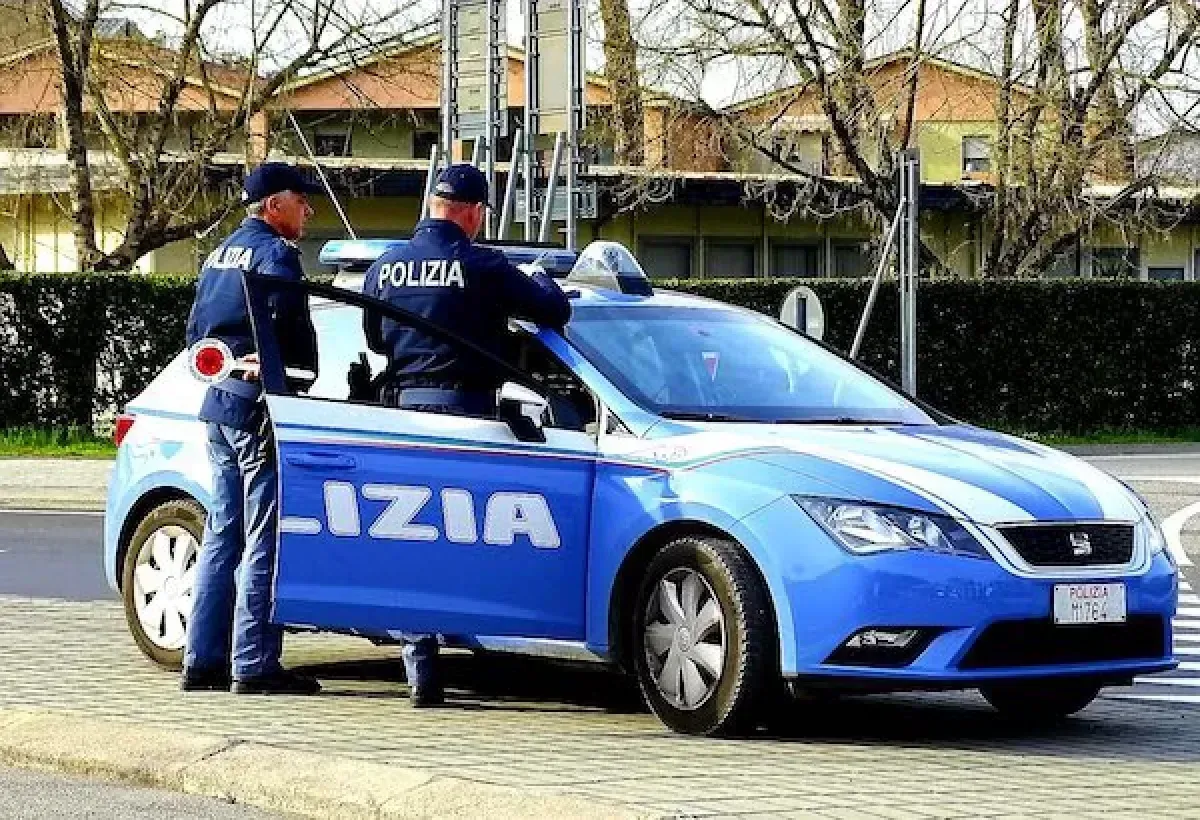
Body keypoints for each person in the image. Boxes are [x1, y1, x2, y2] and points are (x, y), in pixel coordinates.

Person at [362, 163, 571, 706]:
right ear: (475, 213)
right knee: (464, 532)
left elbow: (376, 339)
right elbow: (553, 310)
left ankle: (420, 662)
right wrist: (543, 278)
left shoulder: (385, 267)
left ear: (434, 205)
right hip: (465, 414)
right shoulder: (483, 265)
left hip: (402, 413)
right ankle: (476, 646)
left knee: (412, 535)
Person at [181, 162, 323, 696]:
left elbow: (196, 332)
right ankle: (255, 661)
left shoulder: (218, 253)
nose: (308, 209)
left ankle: (202, 660)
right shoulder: (276, 255)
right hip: (260, 407)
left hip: (217, 405)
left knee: (222, 534)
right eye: (300, 200)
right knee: (266, 534)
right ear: (273, 206)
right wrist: (298, 380)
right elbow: (289, 328)